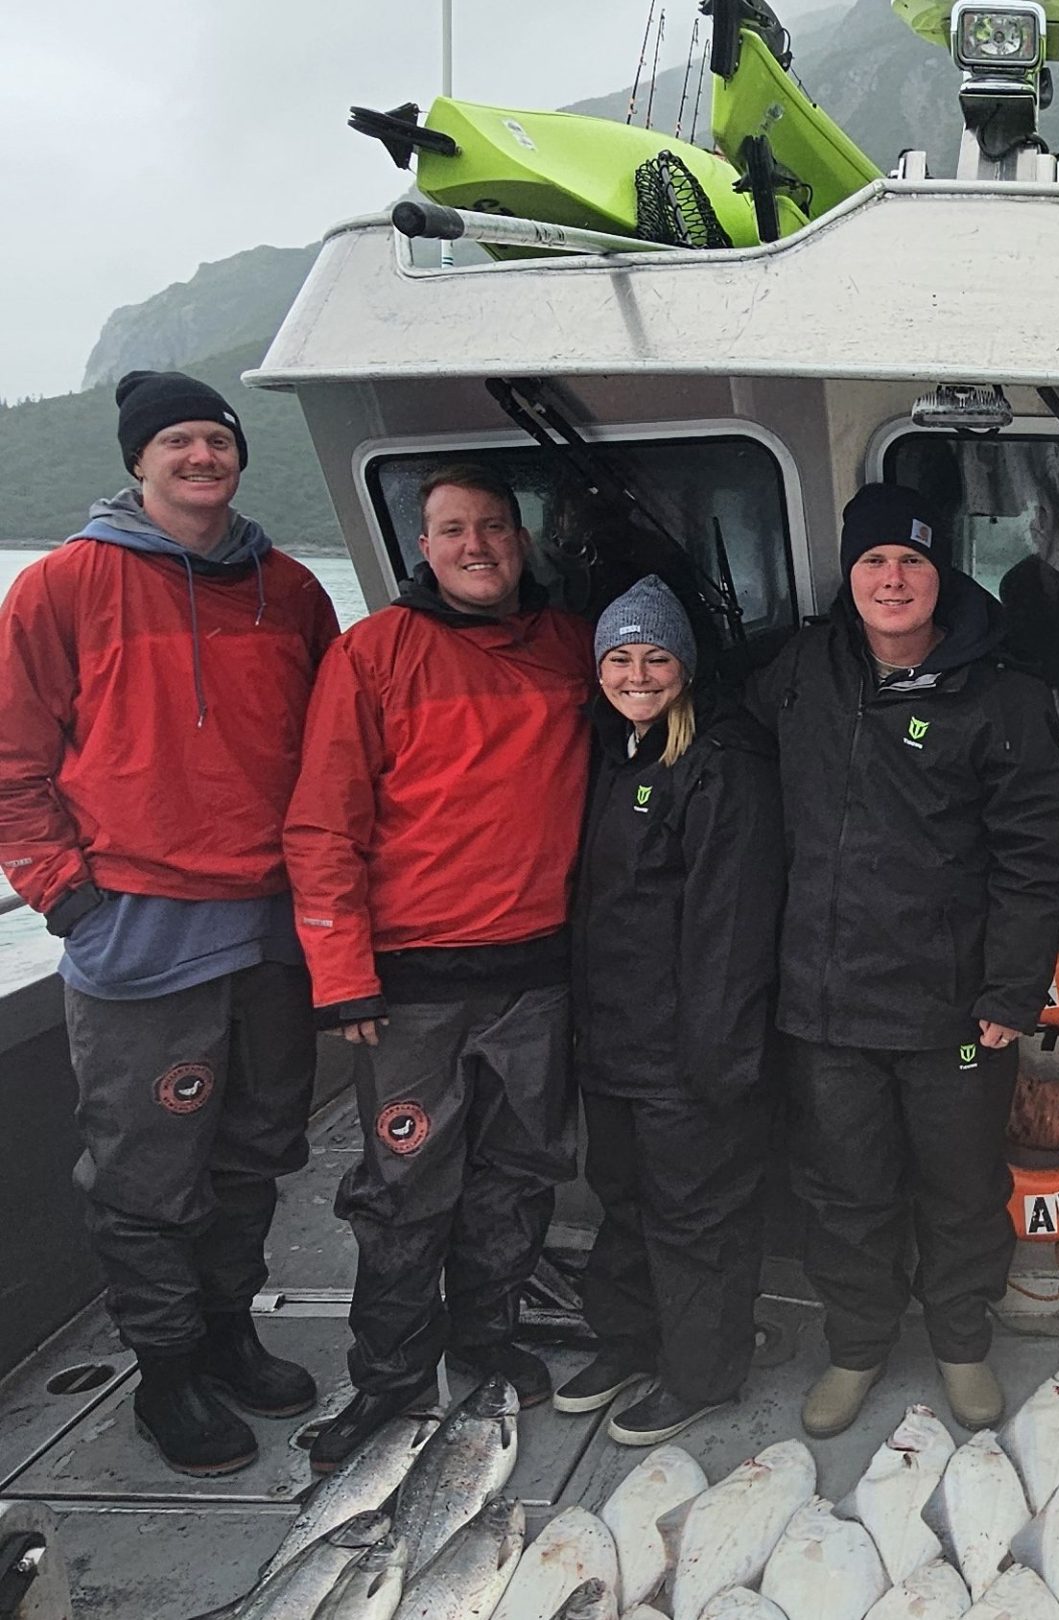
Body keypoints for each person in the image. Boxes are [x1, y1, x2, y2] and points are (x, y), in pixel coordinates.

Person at [0, 372, 339, 1476]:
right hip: (141, 940)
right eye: (178, 441)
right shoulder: (61, 586)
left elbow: (334, 751)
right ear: (139, 460)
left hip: (273, 929)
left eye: (218, 440)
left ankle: (229, 1331)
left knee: (254, 1151)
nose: (202, 457)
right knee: (147, 1175)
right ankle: (168, 1371)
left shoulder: (291, 590)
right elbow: (10, 761)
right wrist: (63, 892)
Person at [746, 481, 1059, 1439]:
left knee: (963, 1189)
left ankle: (962, 1342)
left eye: (912, 561)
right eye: (874, 561)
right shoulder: (802, 669)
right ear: (850, 575)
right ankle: (856, 1346)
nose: (892, 579)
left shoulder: (1004, 696)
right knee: (842, 1193)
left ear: (941, 574)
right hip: (826, 1003)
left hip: (953, 1007)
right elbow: (725, 745)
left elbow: (1033, 854)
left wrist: (1011, 991)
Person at [283, 464, 592, 1470]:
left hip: (537, 976)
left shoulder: (572, 647)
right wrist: (342, 974)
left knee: (518, 1173)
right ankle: (389, 1375)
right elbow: (322, 824)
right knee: (405, 1187)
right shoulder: (372, 654)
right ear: (424, 547)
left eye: (494, 527)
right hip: (411, 986)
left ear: (521, 541)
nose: (476, 546)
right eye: (454, 529)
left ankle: (486, 1340)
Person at [555, 577, 784, 1447]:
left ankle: (701, 1373)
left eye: (656, 657)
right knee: (622, 1200)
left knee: (696, 1214)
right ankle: (629, 1341)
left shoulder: (721, 765)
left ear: (685, 666)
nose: (638, 675)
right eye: (620, 658)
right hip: (613, 1040)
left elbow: (731, 926)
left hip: (687, 1050)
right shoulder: (612, 755)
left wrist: (717, 1059)